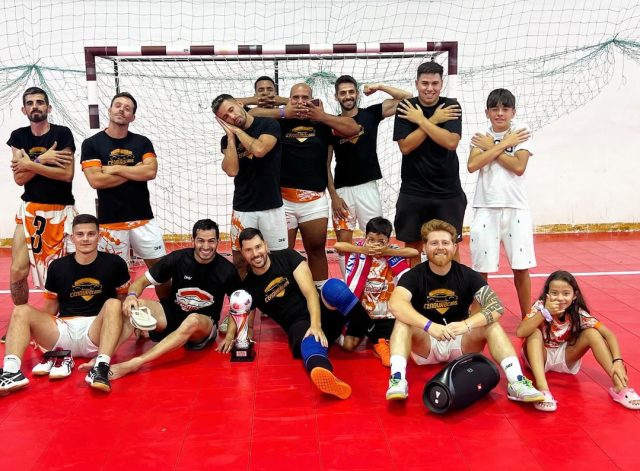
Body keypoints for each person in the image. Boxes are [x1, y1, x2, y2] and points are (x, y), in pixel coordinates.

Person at [384, 219, 543, 404]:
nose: (440, 247)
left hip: (460, 342)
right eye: (434, 243)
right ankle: (397, 379)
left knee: (491, 324)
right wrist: (430, 326)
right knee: (402, 321)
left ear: (454, 247)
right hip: (426, 344)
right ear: (424, 248)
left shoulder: (468, 275)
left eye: (445, 243)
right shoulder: (413, 275)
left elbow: (496, 306)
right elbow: (396, 304)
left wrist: (467, 324)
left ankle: (517, 381)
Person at [0, 214, 130, 395]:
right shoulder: (57, 266)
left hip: (97, 331)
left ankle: (101, 367)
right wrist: (38, 333)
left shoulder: (115, 263)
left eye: (91, 234)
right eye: (80, 234)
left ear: (99, 236)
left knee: (114, 304)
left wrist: (124, 325)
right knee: (21, 310)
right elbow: (50, 307)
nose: (85, 239)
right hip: (63, 331)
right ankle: (11, 372)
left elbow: (123, 299)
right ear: (72, 237)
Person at [238, 227, 368, 399]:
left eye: (258, 247)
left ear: (266, 245)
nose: (255, 254)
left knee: (334, 287)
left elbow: (310, 293)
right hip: (298, 325)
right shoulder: (249, 287)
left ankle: (374, 333)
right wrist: (237, 338)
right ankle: (327, 375)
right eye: (248, 250)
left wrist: (316, 325)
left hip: (320, 310)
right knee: (310, 341)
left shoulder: (287, 257)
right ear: (242, 253)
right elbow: (246, 325)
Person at [251, 83, 359, 288]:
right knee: (281, 253)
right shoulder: (278, 122)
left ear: (312, 100)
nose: (300, 102)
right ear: (289, 99)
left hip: (314, 200)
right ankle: (283, 296)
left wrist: (322, 116)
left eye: (305, 98)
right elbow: (253, 113)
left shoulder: (321, 123)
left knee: (316, 250)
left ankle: (320, 293)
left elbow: (353, 128)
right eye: (296, 97)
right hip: (282, 200)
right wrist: (284, 110)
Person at [107, 219, 241, 380]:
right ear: (192, 240)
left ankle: (135, 362)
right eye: (201, 240)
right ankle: (104, 359)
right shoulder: (178, 258)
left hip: (202, 325)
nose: (206, 246)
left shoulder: (227, 270)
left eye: (211, 241)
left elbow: (237, 306)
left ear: (218, 241)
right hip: (173, 315)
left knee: (193, 320)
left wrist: (230, 335)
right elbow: (140, 282)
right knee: (137, 306)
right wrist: (131, 297)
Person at [80, 92, 167, 297]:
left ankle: (168, 311)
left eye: (127, 108)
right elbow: (96, 181)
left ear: (132, 117)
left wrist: (113, 169)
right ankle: (118, 314)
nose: (122, 110)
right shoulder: (91, 144)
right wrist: (134, 170)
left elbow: (150, 172)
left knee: (163, 273)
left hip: (143, 219)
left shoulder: (142, 142)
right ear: (109, 110)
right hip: (111, 223)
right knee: (115, 278)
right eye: (118, 105)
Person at [516, 270, 640, 411]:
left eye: (566, 294)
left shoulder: (578, 312)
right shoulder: (540, 307)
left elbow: (609, 334)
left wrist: (617, 360)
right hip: (539, 356)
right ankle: (543, 389)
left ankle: (621, 387)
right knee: (534, 333)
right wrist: (545, 313)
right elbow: (520, 332)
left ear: (574, 296)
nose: (560, 298)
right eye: (554, 293)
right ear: (547, 294)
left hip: (564, 357)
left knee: (592, 333)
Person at [468, 88, 535, 317]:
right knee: (481, 267)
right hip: (486, 207)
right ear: (486, 112)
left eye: (505, 109)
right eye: (495, 109)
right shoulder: (481, 134)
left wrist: (491, 147)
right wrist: (501, 145)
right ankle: (478, 318)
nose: (500, 113)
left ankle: (527, 317)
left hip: (516, 207)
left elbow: (519, 167)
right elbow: (472, 165)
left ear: (513, 112)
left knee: (521, 267)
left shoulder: (521, 131)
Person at [7, 86, 76, 306]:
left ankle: (66, 316)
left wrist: (29, 164)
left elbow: (66, 174)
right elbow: (19, 179)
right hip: (30, 209)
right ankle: (21, 317)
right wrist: (42, 159)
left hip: (60, 210)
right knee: (17, 270)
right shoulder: (18, 137)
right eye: (30, 103)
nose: (35, 106)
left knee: (64, 271)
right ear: (24, 110)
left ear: (49, 107)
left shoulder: (62, 134)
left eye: (39, 102)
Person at [328, 76, 411, 257]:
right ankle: (348, 276)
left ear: (357, 94)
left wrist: (379, 86)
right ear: (336, 96)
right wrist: (333, 195)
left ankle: (375, 275)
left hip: (368, 188)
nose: (347, 96)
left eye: (351, 92)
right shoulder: (331, 124)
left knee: (377, 238)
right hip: (342, 192)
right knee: (343, 244)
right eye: (343, 93)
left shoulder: (371, 113)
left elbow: (408, 98)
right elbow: (325, 165)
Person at [393, 61, 465, 264]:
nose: (430, 88)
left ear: (441, 84)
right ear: (416, 83)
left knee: (450, 245)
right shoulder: (406, 107)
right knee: (412, 247)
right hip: (414, 191)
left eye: (435, 83)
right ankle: (415, 285)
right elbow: (406, 146)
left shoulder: (451, 106)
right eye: (425, 83)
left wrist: (422, 120)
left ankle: (454, 285)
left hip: (447, 191)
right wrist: (433, 120)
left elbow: (451, 142)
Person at [212, 93, 288, 277]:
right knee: (240, 260)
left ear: (240, 103)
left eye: (231, 110)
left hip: (271, 205)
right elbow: (232, 170)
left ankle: (279, 294)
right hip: (243, 207)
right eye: (225, 117)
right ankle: (245, 295)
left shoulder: (268, 124)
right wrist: (231, 137)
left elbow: (260, 149)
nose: (232, 117)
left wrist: (238, 132)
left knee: (278, 257)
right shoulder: (227, 140)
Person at [333, 217, 417, 367]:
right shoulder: (359, 249)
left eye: (381, 241)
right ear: (365, 237)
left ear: (388, 241)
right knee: (348, 346)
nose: (375, 245)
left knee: (398, 343)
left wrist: (387, 251)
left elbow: (414, 252)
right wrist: (363, 250)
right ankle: (375, 339)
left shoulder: (393, 252)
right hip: (361, 313)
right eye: (371, 239)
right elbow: (338, 245)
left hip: (386, 314)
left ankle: (377, 340)